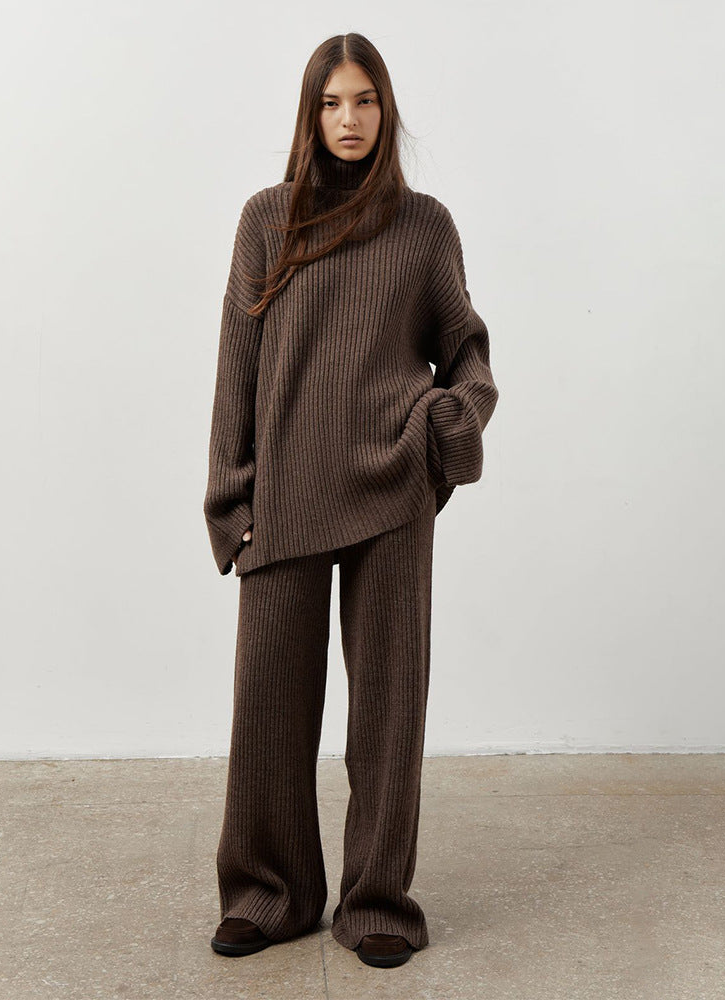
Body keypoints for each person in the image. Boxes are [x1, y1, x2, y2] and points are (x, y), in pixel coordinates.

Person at [203, 33, 499, 969]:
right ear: (309, 112)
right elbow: (238, 365)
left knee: (387, 711)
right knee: (268, 707)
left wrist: (448, 421)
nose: (349, 119)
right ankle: (271, 892)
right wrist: (231, 498)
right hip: (287, 490)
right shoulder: (267, 220)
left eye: (365, 100)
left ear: (386, 110)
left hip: (392, 487)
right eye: (332, 102)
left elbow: (468, 353)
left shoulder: (424, 228)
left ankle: (377, 901)